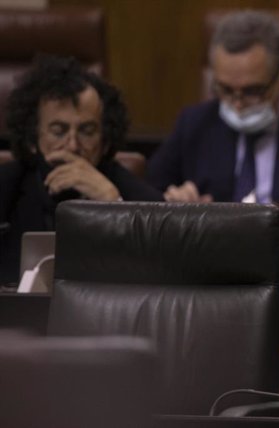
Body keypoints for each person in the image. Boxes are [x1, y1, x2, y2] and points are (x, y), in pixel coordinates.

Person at [146, 10, 279, 204]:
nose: (237, 104)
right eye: (225, 90)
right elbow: (148, 191)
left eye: (252, 91)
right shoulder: (194, 124)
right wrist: (174, 200)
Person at [0, 55, 163, 284]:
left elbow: (166, 264)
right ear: (32, 139)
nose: (73, 145)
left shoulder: (132, 193)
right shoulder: (7, 186)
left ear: (105, 141)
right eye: (58, 131)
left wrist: (114, 205)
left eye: (87, 131)